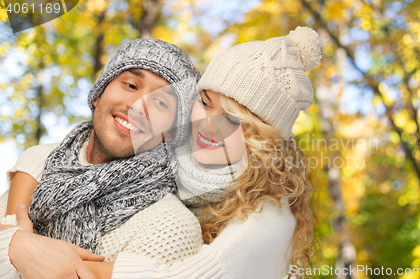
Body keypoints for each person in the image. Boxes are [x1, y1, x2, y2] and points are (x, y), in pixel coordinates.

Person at [0, 26, 322, 279]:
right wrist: (19, 239)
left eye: (161, 102)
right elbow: (45, 157)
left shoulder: (264, 220)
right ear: (97, 94)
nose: (207, 125)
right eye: (205, 103)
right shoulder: (53, 163)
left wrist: (43, 255)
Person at [0, 38, 204, 278]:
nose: (138, 106)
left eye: (160, 102)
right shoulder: (40, 161)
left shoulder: (171, 227)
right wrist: (15, 245)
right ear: (98, 95)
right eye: (130, 85)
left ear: (170, 133)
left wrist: (16, 244)